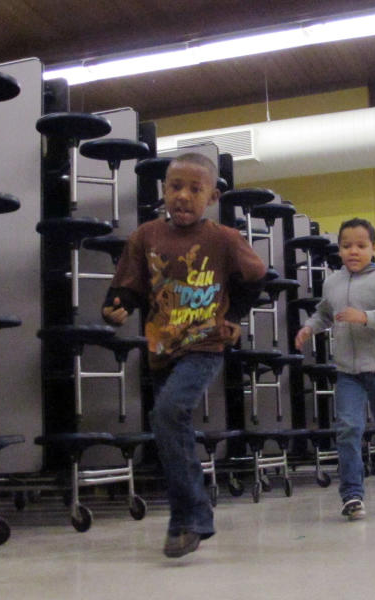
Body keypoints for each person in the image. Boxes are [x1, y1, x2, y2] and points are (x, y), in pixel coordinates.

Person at [102, 152, 267, 558]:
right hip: (162, 348)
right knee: (168, 427)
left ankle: (189, 517)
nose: (183, 196)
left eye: (195, 189)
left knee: (168, 413)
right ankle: (190, 514)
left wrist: (235, 316)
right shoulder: (146, 237)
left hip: (205, 344)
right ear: (163, 191)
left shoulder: (223, 239)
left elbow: (256, 276)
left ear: (211, 197)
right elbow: (129, 287)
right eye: (176, 187)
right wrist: (114, 307)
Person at [295, 218, 375, 521]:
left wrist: (364, 317)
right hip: (348, 371)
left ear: (373, 248)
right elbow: (325, 312)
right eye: (347, 245)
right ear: (339, 249)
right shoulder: (333, 281)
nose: (353, 251)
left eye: (361, 245)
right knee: (348, 429)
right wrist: (310, 327)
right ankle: (352, 494)